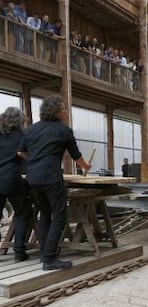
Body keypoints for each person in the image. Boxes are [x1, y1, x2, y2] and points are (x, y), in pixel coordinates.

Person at [18, 96, 91, 271]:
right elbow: (76, 156)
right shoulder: (63, 130)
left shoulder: (30, 130)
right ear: (56, 111)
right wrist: (86, 166)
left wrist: (35, 160)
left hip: (33, 178)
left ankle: (45, 253)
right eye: (64, 109)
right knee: (60, 216)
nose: (66, 111)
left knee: (45, 214)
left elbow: (21, 152)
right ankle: (50, 259)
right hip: (51, 177)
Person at [0, 107, 31, 262]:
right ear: (20, 121)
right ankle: (19, 252)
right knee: (22, 213)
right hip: (13, 180)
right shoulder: (22, 136)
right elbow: (26, 159)